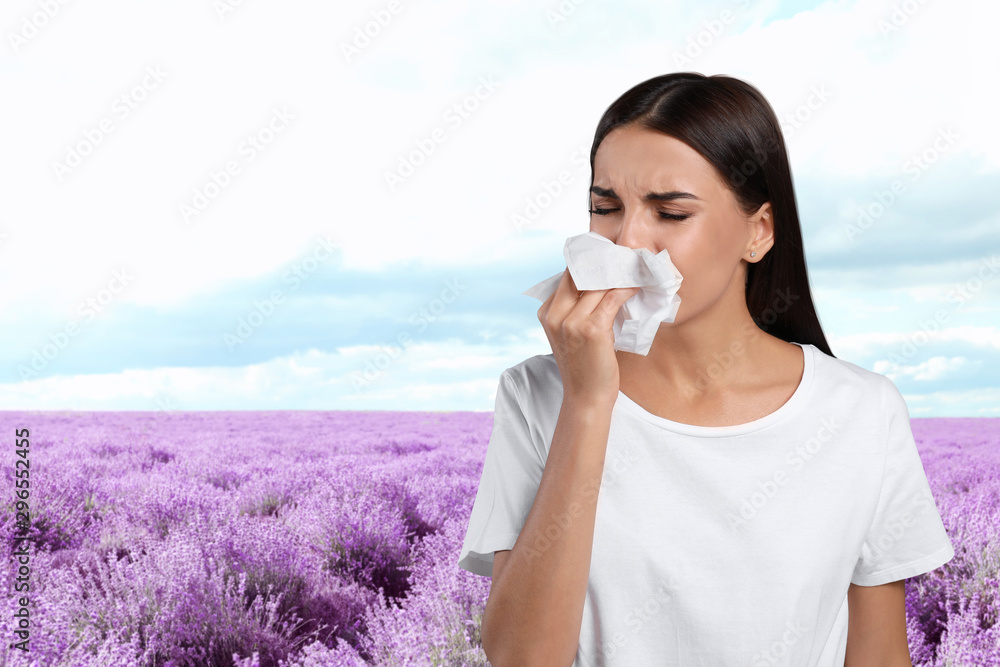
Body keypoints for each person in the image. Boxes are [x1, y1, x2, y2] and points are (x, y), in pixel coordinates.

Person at [457, 72, 954, 666]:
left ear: (758, 231)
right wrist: (588, 404)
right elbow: (521, 658)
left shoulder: (861, 411)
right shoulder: (538, 395)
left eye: (670, 213)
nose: (630, 242)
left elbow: (878, 657)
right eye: (604, 207)